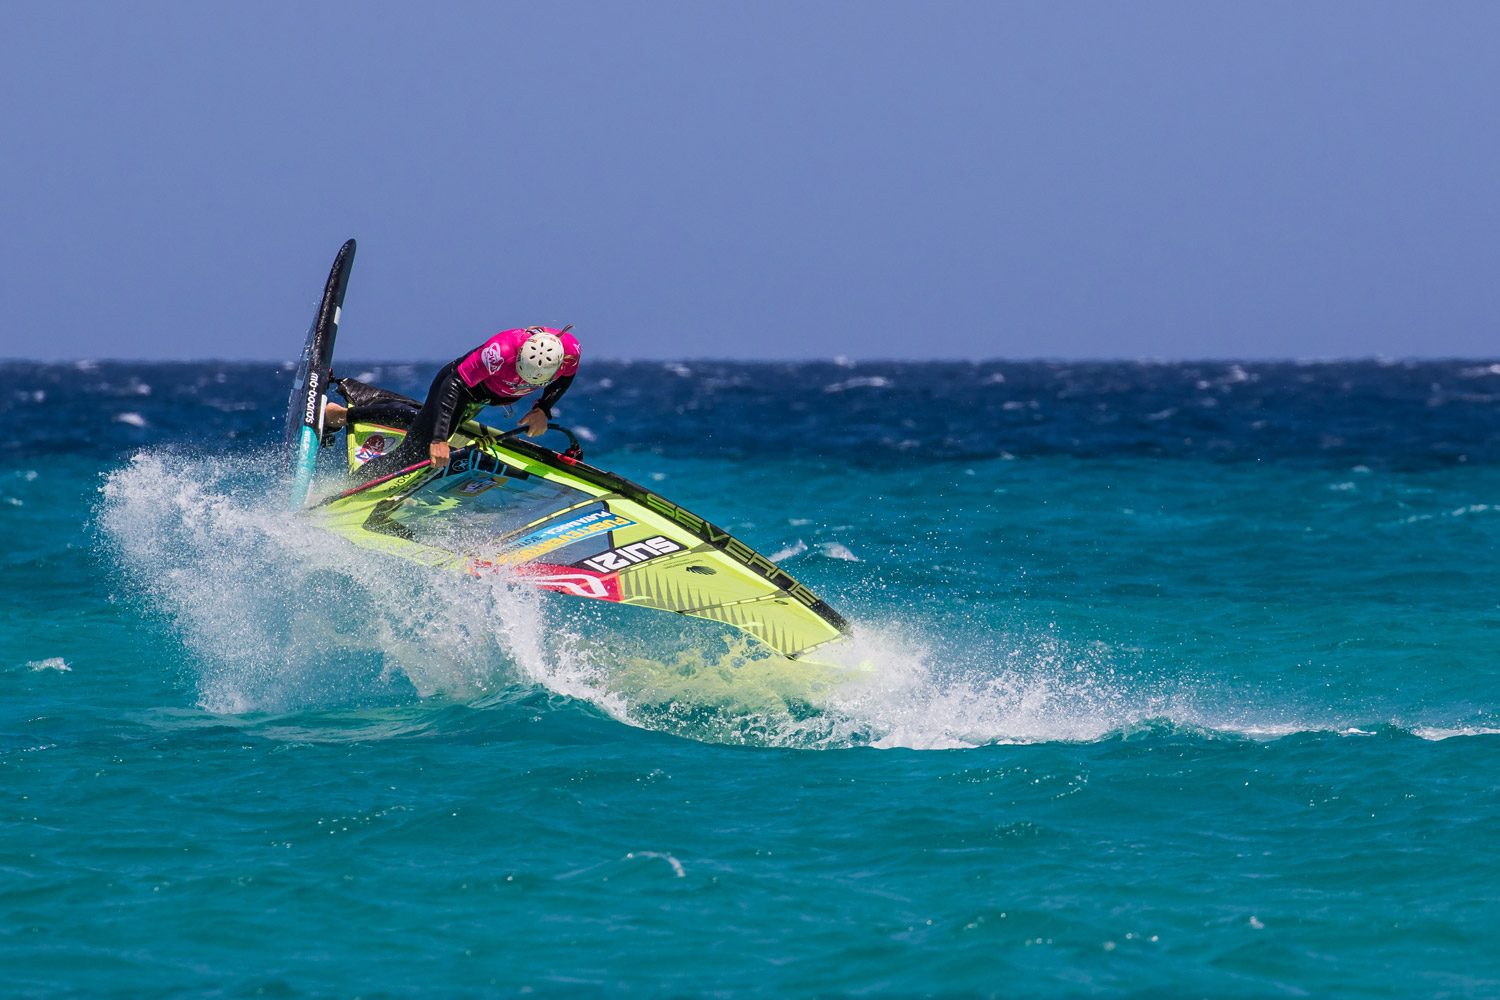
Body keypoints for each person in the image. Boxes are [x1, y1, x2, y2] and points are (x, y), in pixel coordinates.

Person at [326, 325, 581, 483]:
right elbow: (454, 383)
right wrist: (438, 440)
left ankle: (346, 414)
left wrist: (542, 409)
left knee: (423, 421)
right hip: (459, 390)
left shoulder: (569, 351)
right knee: (413, 453)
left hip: (489, 397)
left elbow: (565, 379)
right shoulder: (499, 351)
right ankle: (350, 485)